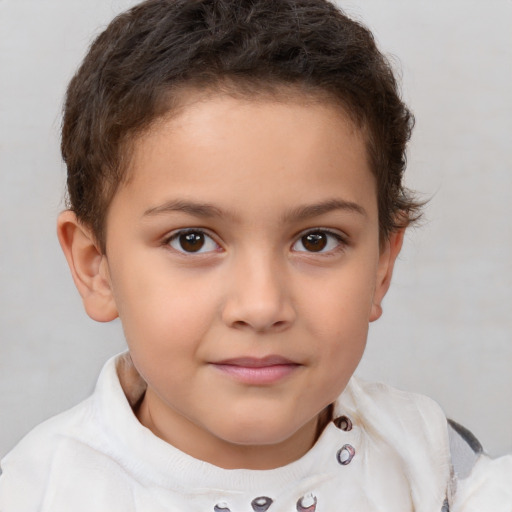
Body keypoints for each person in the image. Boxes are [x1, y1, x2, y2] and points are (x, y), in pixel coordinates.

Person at [0, 0, 510, 510]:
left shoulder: (441, 472)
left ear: (381, 264)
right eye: (192, 240)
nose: (262, 306)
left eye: (316, 240)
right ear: (97, 268)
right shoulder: (34, 494)